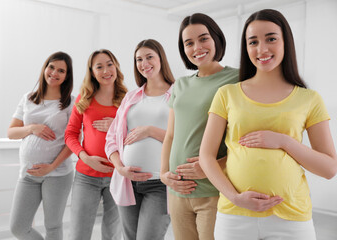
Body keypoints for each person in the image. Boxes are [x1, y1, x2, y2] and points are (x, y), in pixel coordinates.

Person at [199, 9, 337, 240]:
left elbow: (329, 168)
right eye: (253, 42)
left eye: (271, 38)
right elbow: (206, 156)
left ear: (286, 42)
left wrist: (283, 141)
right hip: (234, 216)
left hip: (292, 219)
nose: (261, 49)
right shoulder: (227, 94)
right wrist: (235, 197)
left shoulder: (309, 99)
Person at [160, 13, 239, 240]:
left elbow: (243, 140)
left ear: (216, 39)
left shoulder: (237, 79)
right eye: (189, 43)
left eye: (204, 39)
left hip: (212, 191)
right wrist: (164, 174)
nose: (197, 47)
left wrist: (212, 166)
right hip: (177, 192)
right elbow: (171, 135)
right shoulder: (181, 84)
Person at [105, 39, 174, 240]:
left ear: (161, 58)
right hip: (127, 182)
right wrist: (119, 167)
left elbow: (185, 139)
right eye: (139, 59)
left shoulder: (177, 93)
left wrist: (151, 131)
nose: (144, 63)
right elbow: (111, 139)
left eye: (149, 57)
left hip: (160, 184)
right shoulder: (131, 97)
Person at [8, 51, 74, 240]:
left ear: (66, 76)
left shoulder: (70, 103)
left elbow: (73, 140)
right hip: (28, 174)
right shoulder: (28, 98)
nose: (54, 73)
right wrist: (31, 128)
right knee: (18, 227)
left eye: (61, 70)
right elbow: (11, 132)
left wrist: (52, 166)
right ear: (45, 68)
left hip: (58, 174)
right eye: (51, 67)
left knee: (52, 226)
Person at [65, 49, 127, 240]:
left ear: (116, 66)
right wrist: (85, 158)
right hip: (86, 176)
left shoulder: (128, 100)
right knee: (78, 233)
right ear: (92, 72)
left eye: (109, 64)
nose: (106, 70)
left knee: (112, 235)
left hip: (118, 176)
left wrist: (116, 127)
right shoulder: (83, 100)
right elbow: (70, 135)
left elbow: (136, 136)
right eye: (99, 66)